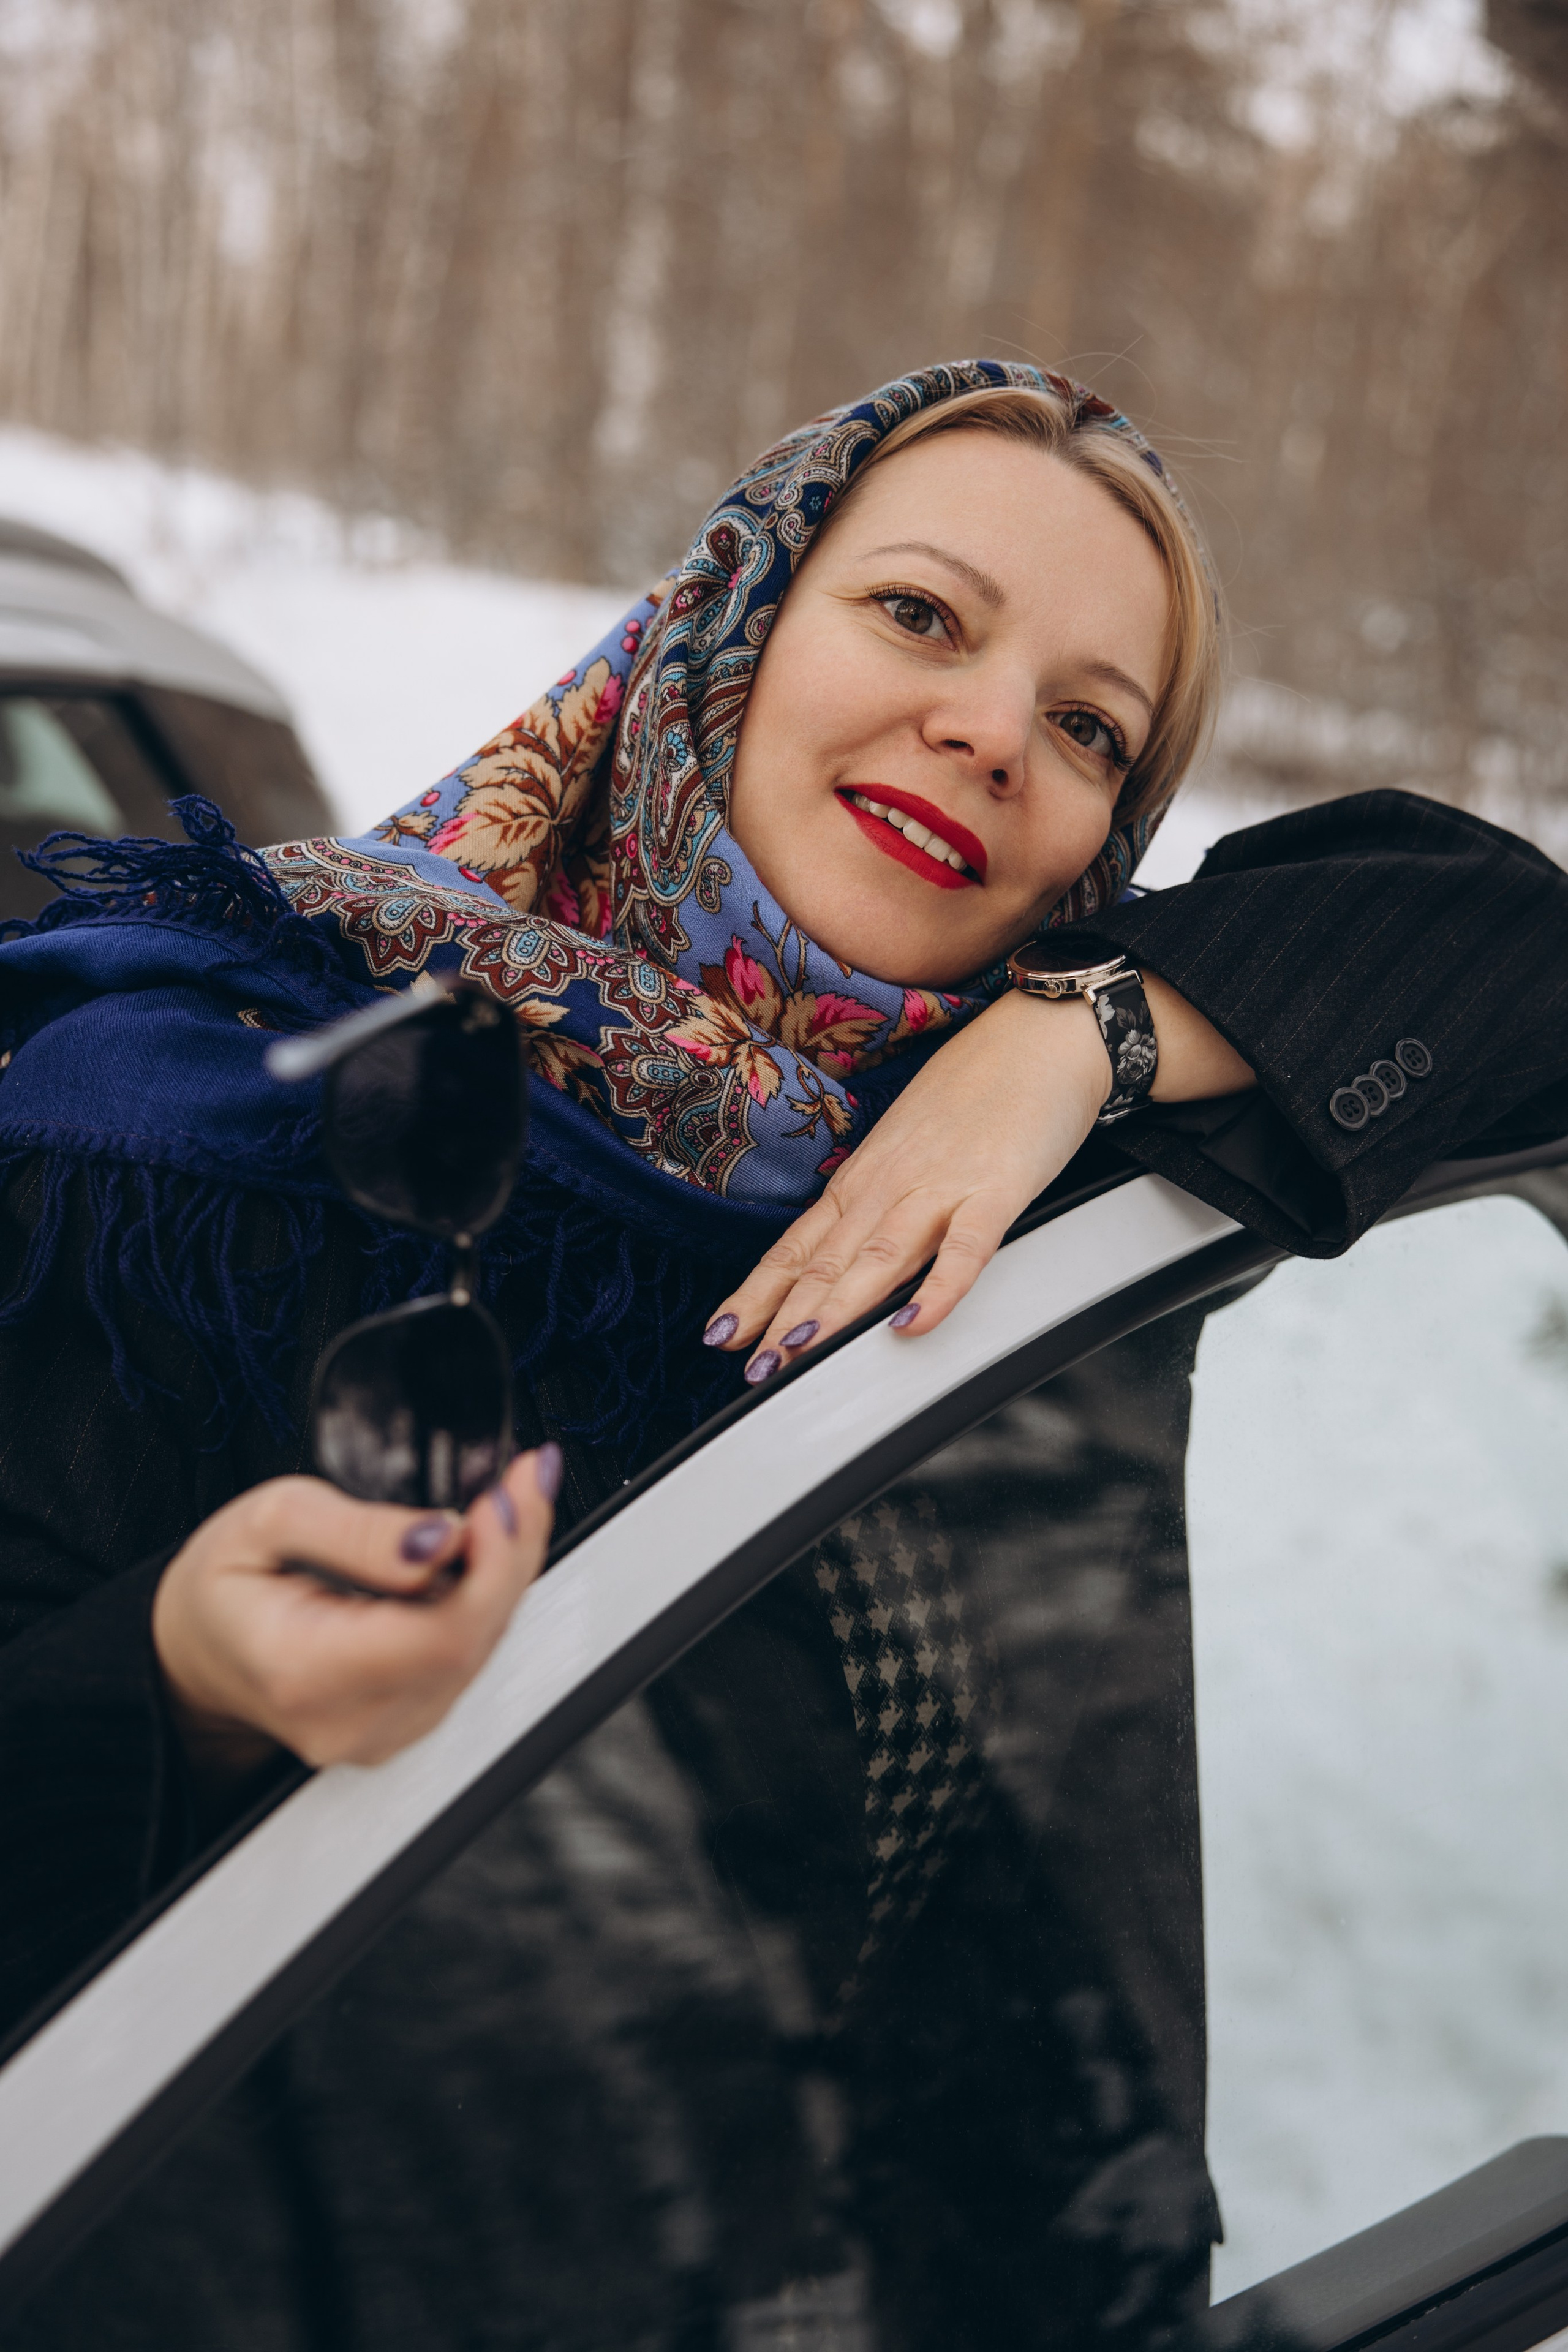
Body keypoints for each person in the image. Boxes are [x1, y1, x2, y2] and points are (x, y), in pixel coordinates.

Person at [2, 360, 1566, 2348]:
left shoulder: (1059, 1163)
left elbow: (1511, 944)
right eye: (922, 615)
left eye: (1093, 726)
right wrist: (188, 1678)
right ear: (730, 625)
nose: (994, 730)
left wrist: (1083, 1035)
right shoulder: (195, 1131)